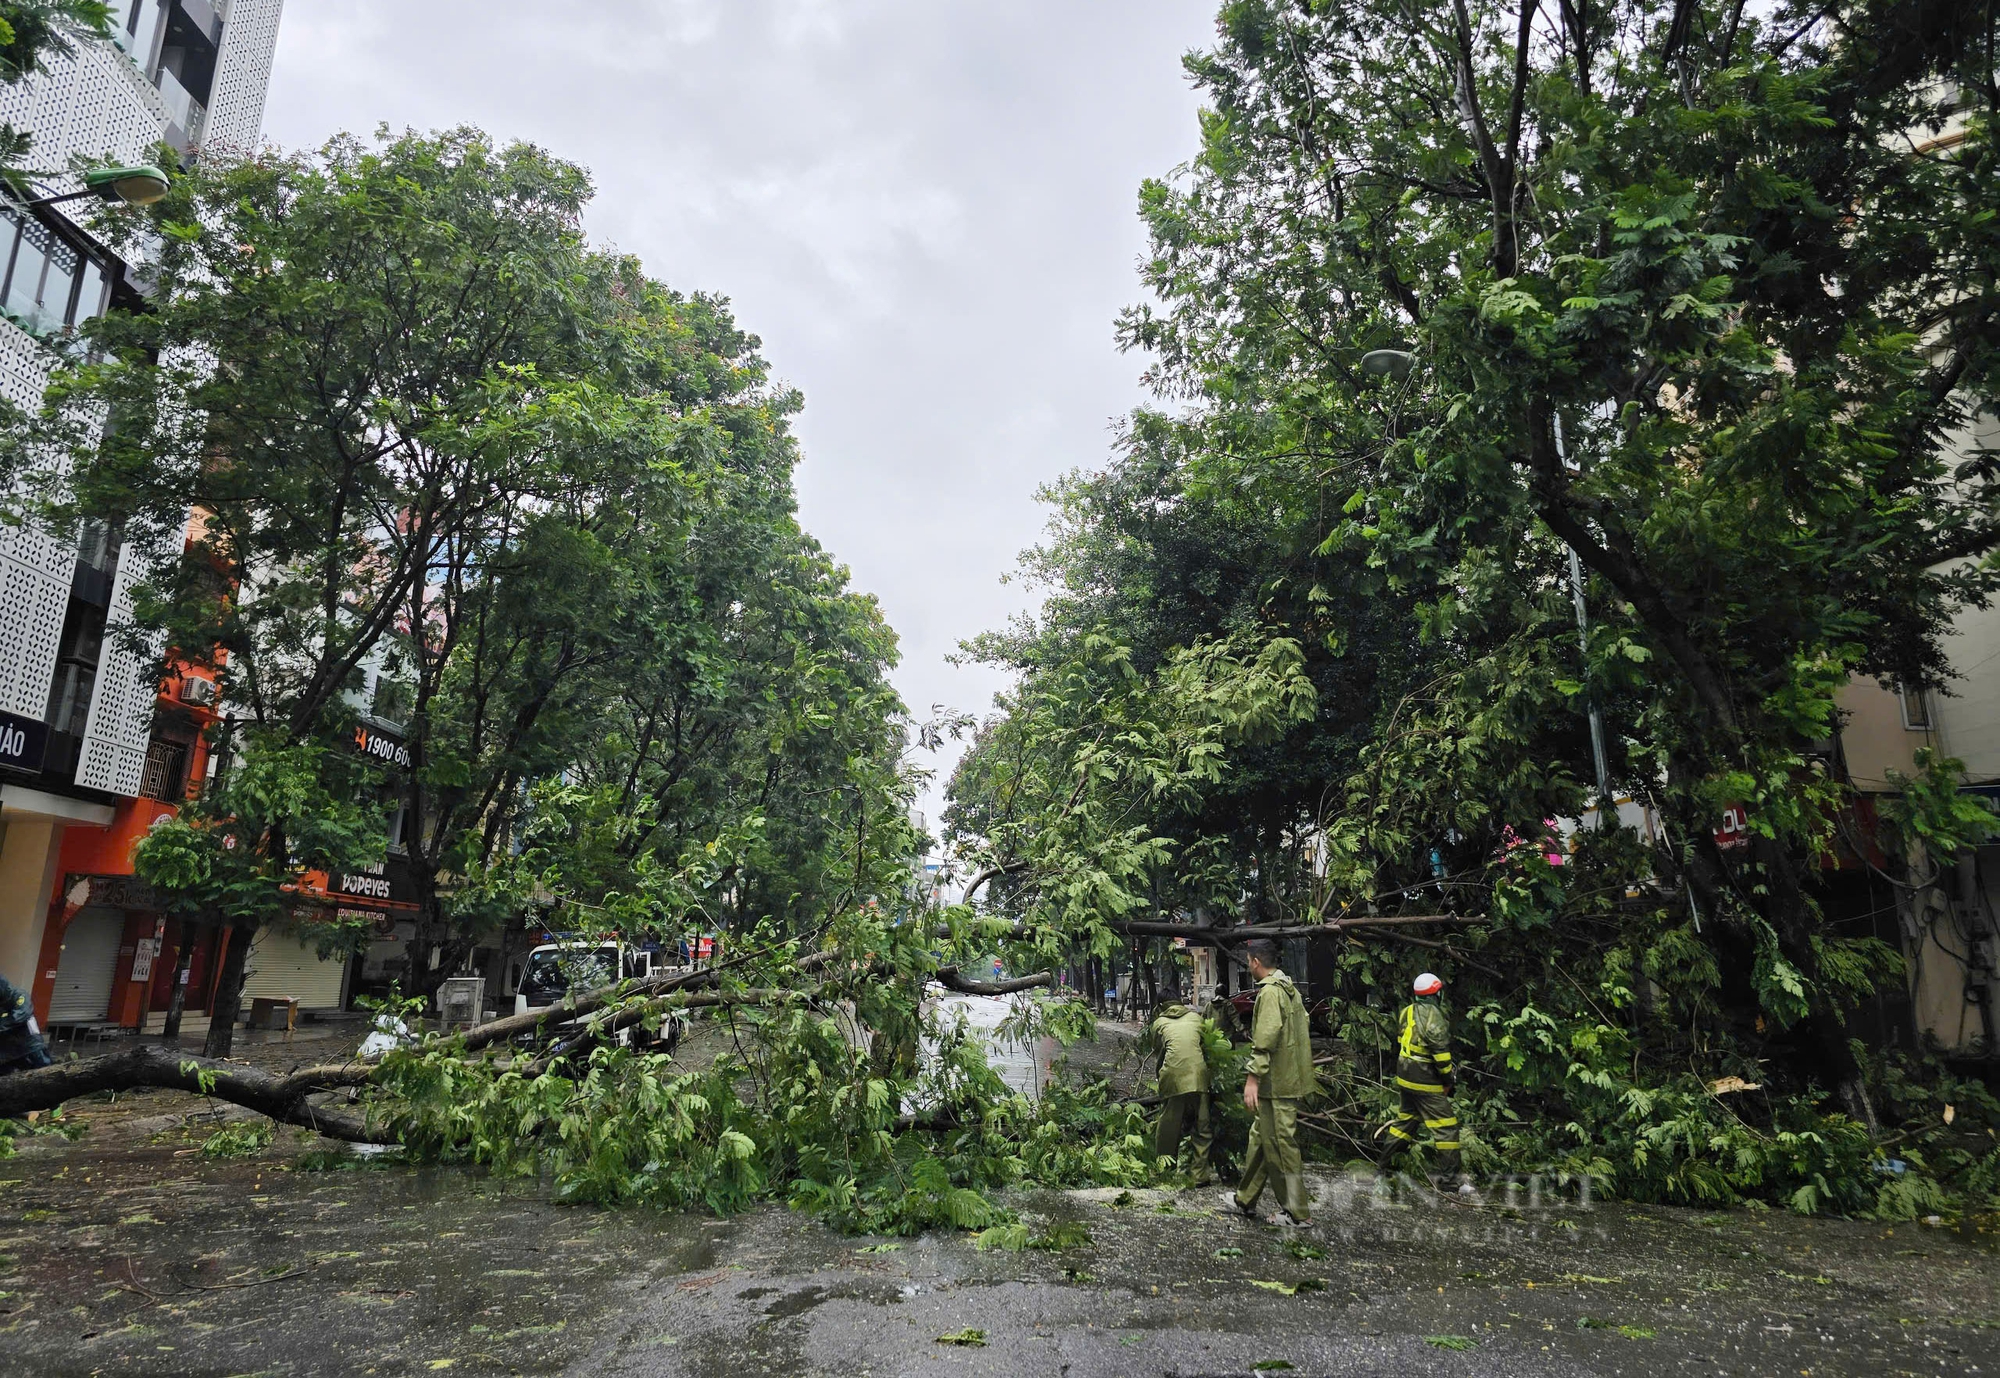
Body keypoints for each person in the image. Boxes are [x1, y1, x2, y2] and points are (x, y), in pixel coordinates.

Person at [1223, 939, 1314, 1226]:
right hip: (1284, 1079)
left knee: (1280, 1145)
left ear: (1255, 962)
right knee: (1261, 1139)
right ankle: (1245, 1199)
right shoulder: (1290, 990)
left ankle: (1297, 1214)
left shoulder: (1271, 994)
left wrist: (1253, 1079)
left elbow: (1267, 1038)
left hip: (1277, 1084)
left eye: (1248, 961)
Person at [1385, 971, 1463, 1185]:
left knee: (1405, 1123)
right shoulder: (1435, 1016)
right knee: (1446, 1128)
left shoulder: (1406, 1011)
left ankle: (1383, 1169)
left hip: (1404, 1076)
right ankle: (1450, 1182)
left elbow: (1403, 1040)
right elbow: (1441, 1055)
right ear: (1436, 994)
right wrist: (1449, 1080)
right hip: (1424, 1080)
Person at [1150, 995, 1215, 1183]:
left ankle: (1165, 1170)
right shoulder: (1196, 1018)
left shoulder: (1159, 1022)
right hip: (1199, 1075)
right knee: (1202, 1125)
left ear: (1160, 1006)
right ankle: (1199, 1175)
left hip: (1173, 1075)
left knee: (1169, 1126)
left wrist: (1160, 1078)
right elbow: (1203, 1046)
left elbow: (1159, 1052)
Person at [0, 973, 51, 1076]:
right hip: (8, 1050)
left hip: (31, 1045)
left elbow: (20, 1015)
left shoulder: (19, 996)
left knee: (44, 1074)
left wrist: (3, 1022)